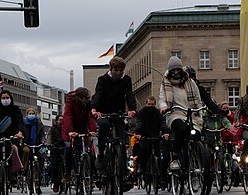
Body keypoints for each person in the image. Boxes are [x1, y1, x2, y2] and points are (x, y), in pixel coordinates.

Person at [91, 57, 137, 186]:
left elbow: (129, 95)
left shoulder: (126, 80)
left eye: (121, 70)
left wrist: (132, 109)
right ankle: (101, 154)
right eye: (116, 70)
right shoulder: (103, 80)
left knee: (121, 140)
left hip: (118, 112)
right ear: (111, 69)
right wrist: (95, 109)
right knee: (104, 127)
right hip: (103, 112)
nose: (118, 72)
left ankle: (123, 172)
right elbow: (98, 94)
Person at [158, 56, 204, 171]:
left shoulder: (190, 82)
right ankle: (175, 157)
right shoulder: (166, 83)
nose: (176, 72)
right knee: (181, 130)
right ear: (170, 71)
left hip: (191, 114)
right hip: (175, 113)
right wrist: (164, 107)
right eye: (173, 70)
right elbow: (162, 98)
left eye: (178, 70)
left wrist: (200, 109)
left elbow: (197, 98)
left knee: (196, 136)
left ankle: (196, 161)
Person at [0, 90, 25, 190]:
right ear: (0, 100)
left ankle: (13, 172)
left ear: (11, 99)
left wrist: (19, 132)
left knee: (14, 149)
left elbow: (20, 121)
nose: (5, 100)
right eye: (3, 98)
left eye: (7, 98)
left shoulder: (15, 109)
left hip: (11, 137)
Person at [61, 87, 98, 184]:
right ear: (78, 97)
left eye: (86, 98)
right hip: (70, 129)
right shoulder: (70, 102)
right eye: (83, 98)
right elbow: (67, 116)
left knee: (88, 151)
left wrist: (92, 130)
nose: (84, 100)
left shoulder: (88, 104)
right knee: (69, 150)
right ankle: (68, 172)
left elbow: (90, 117)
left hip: (82, 129)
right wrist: (70, 131)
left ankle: (92, 174)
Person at [134, 96, 171, 184]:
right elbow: (140, 123)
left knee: (159, 156)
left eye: (152, 104)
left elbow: (162, 123)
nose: (150, 106)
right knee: (143, 150)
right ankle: (142, 168)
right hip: (144, 136)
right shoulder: (142, 112)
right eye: (149, 104)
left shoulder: (158, 113)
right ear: (146, 104)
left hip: (155, 136)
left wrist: (165, 132)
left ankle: (161, 177)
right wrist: (138, 133)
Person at [21, 107, 45, 194]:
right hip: (27, 144)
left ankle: (40, 174)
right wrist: (22, 142)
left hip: (37, 145)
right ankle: (25, 168)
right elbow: (21, 133)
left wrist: (43, 142)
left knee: (42, 156)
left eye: (33, 114)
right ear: (27, 115)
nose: (31, 115)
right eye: (29, 114)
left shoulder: (39, 123)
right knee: (26, 151)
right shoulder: (23, 123)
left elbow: (42, 134)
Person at [48, 114, 65, 192]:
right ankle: (55, 182)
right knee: (54, 165)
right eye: (60, 120)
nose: (61, 122)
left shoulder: (65, 128)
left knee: (66, 162)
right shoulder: (52, 128)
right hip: (55, 148)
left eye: (62, 120)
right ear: (56, 121)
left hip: (63, 147)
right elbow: (49, 138)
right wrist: (49, 144)